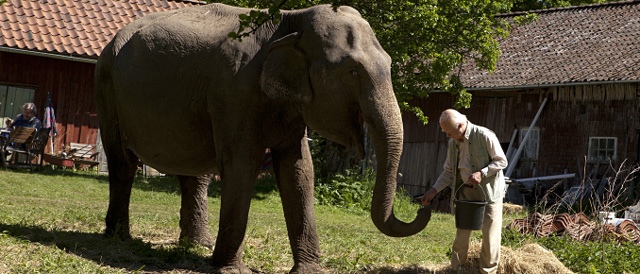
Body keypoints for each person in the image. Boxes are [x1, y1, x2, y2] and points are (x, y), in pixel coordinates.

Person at [421, 109, 507, 274]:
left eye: (449, 132)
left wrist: (482, 173)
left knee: (490, 237)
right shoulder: (453, 143)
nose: (447, 136)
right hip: (465, 193)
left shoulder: (484, 135)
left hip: (489, 194)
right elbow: (448, 172)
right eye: (445, 132)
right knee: (461, 235)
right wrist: (434, 190)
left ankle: (487, 271)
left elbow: (501, 161)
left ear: (461, 125)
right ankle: (456, 269)